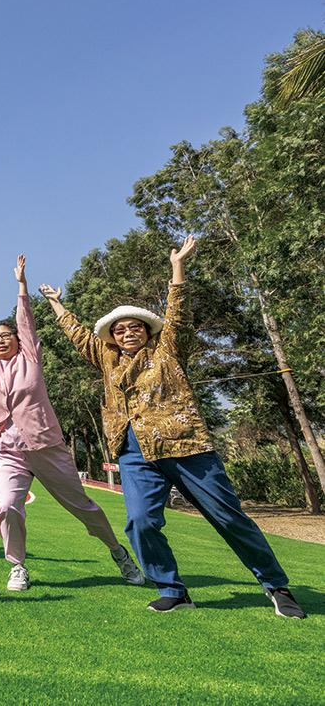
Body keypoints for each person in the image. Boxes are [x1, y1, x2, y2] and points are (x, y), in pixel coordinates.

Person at [39, 235, 306, 618]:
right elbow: (78, 334)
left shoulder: (166, 351)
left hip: (186, 447)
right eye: (120, 329)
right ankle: (173, 590)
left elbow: (178, 313)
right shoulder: (106, 359)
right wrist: (55, 303)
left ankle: (276, 586)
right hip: (133, 452)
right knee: (140, 522)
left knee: (227, 516)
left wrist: (177, 267)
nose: (128, 333)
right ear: (112, 337)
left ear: (148, 331)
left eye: (135, 328)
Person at [0, 255, 143, 592]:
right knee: (7, 506)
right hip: (7, 451)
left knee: (82, 505)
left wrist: (22, 286)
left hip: (46, 445)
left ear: (19, 341)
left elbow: (26, 322)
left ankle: (118, 552)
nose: (2, 340)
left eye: (7, 336)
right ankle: (17, 566)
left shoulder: (30, 358)